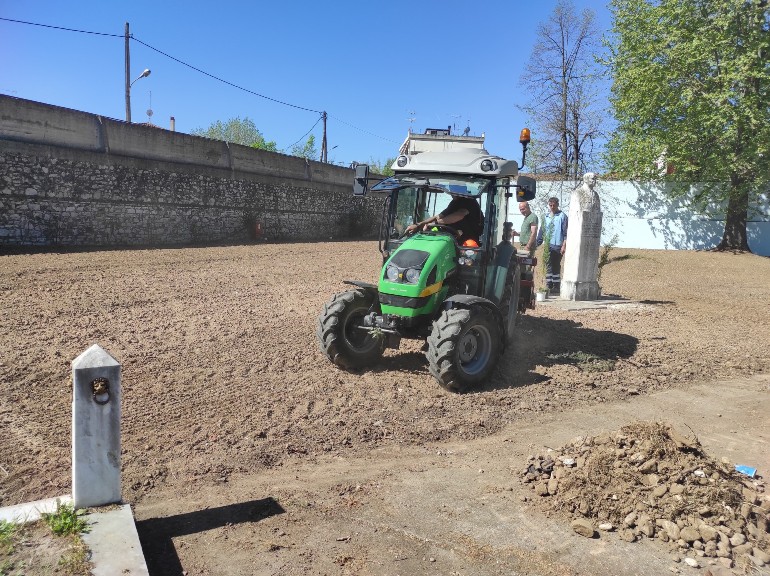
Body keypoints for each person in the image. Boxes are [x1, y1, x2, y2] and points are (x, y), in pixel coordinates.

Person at [406, 192, 483, 243]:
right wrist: (419, 225)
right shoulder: (454, 203)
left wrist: (435, 223)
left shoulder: (469, 201)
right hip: (453, 238)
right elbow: (438, 216)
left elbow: (459, 215)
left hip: (469, 241)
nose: (450, 193)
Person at [537, 197, 568, 294]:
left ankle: (556, 286)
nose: (552, 207)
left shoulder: (563, 216)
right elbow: (541, 232)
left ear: (557, 205)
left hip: (558, 245)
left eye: (554, 205)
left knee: (555, 265)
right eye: (550, 205)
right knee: (548, 265)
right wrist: (537, 243)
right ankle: (549, 285)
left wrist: (564, 245)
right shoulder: (546, 217)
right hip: (548, 245)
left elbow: (566, 233)